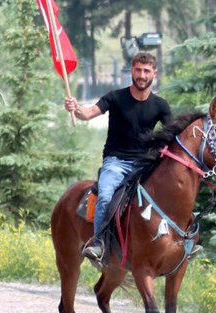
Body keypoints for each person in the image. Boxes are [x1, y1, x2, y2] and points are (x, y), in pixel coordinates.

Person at [64, 51, 172, 264]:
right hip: (116, 162)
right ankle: (99, 244)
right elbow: (88, 113)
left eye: (146, 71)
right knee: (105, 196)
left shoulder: (161, 106)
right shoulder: (115, 97)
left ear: (154, 74)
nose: (142, 75)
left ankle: (181, 242)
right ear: (132, 70)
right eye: (138, 70)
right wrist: (75, 108)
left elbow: (171, 135)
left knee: (172, 193)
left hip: (145, 166)